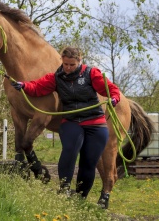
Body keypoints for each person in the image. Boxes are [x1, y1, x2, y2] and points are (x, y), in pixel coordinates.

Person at [11, 46, 120, 203]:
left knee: (88, 161)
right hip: (72, 121)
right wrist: (24, 86)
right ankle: (64, 189)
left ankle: (80, 198)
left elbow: (110, 89)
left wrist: (114, 98)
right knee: (69, 151)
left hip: (95, 122)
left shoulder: (91, 73)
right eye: (65, 64)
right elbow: (38, 87)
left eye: (71, 65)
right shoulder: (57, 77)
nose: (68, 68)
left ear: (79, 62)